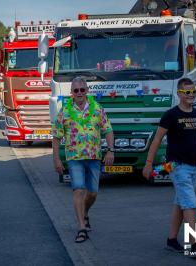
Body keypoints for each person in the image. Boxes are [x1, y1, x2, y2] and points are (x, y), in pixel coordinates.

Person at [142, 78, 196, 256]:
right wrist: (149, 163)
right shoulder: (170, 115)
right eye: (187, 92)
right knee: (190, 204)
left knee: (181, 202)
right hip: (176, 166)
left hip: (195, 166)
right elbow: (156, 140)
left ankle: (171, 240)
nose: (191, 95)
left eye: (193, 92)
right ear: (179, 94)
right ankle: (195, 245)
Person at [52, 76, 114, 243]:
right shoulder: (64, 112)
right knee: (79, 190)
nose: (79, 93)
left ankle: (85, 213)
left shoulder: (97, 109)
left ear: (87, 91)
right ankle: (81, 227)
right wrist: (56, 159)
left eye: (82, 90)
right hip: (74, 157)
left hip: (94, 156)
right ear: (71, 92)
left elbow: (108, 130)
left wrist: (110, 151)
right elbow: (57, 137)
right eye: (76, 90)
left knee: (92, 193)